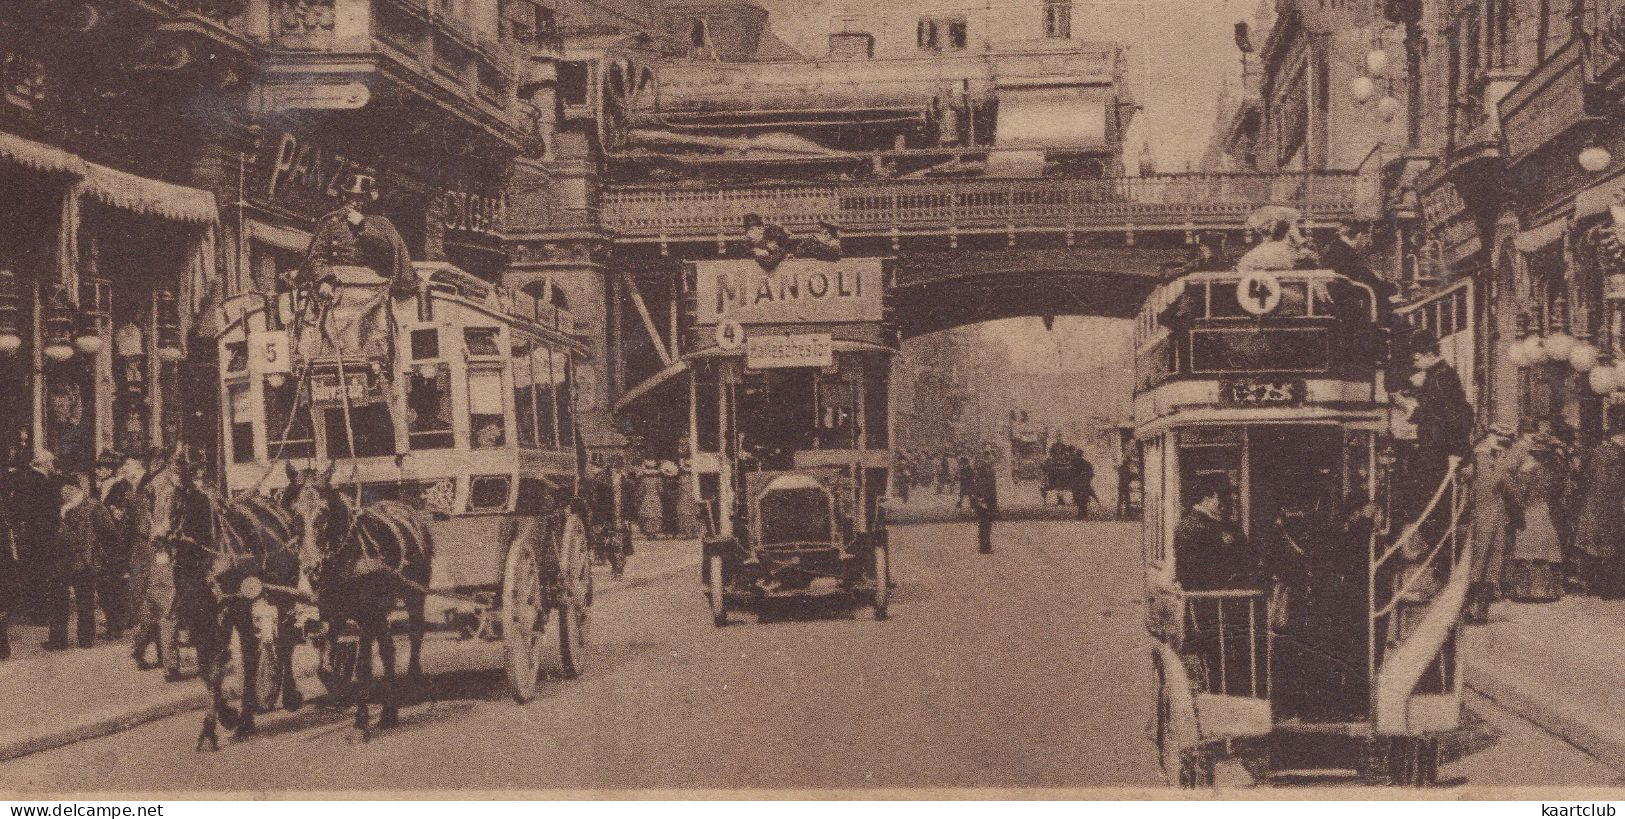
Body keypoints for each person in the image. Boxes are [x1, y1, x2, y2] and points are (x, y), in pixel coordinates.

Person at [299, 173, 417, 299]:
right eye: (351, 197)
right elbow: (317, 256)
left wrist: (363, 226)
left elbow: (389, 254)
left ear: (369, 200)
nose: (354, 203)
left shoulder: (382, 225)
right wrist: (324, 280)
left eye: (360, 198)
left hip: (371, 287)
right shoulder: (332, 222)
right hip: (336, 284)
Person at [46, 474, 119, 650]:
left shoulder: (94, 507)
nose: (65, 491)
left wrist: (98, 550)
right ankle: (60, 640)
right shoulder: (60, 507)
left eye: (70, 488)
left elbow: (110, 532)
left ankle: (83, 639)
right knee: (60, 600)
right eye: (64, 488)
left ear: (80, 489)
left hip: (84, 560)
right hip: (63, 560)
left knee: (83, 600)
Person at [1500, 430, 1566, 603]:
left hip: (1530, 512)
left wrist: (1510, 483)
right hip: (1544, 512)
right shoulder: (1551, 470)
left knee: (1527, 550)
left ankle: (1527, 591)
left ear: (1535, 454)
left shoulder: (1529, 472)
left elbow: (1520, 495)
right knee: (1544, 550)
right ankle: (1546, 591)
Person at [1465, 425, 1517, 622]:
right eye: (1497, 436)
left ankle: (1482, 612)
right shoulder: (1481, 458)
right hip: (1483, 517)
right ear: (1486, 436)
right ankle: (1472, 610)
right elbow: (1491, 484)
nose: (1500, 440)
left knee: (1491, 566)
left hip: (1494, 518)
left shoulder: (1492, 458)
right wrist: (1502, 465)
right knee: (1480, 565)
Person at [1569, 415, 1625, 597]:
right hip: (1613, 505)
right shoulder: (1620, 455)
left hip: (1594, 504)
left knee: (1595, 546)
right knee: (1613, 546)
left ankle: (1594, 585)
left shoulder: (1597, 452)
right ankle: (1611, 588)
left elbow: (1586, 477)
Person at [1173, 475, 1258, 591]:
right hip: (1206, 599)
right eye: (1223, 497)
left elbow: (1247, 558)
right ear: (1207, 497)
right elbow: (1190, 573)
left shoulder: (1229, 526)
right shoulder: (1189, 526)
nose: (1228, 502)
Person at [91, 450, 133, 639]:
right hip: (101, 543)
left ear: (111, 470)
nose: (98, 471)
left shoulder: (119, 488)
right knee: (104, 585)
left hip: (116, 544)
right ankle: (112, 624)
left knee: (114, 585)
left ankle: (116, 627)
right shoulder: (98, 489)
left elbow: (121, 517)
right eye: (98, 467)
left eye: (103, 468)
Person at [13, 450, 60, 622]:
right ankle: (40, 613)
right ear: (45, 464)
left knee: (33, 572)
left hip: (32, 534)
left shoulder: (28, 479)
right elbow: (49, 511)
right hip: (42, 535)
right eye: (51, 463)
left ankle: (34, 610)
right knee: (41, 573)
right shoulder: (41, 482)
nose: (53, 466)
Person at [969, 452, 998, 554]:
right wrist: (982, 500)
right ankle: (984, 547)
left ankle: (985, 545)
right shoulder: (985, 470)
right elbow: (985, 487)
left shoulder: (984, 470)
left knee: (985, 525)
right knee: (985, 524)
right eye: (989, 456)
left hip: (985, 500)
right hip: (985, 501)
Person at [1070, 451, 1096, 520]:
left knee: (1079, 499)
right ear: (1082, 455)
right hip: (1084, 483)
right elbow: (1091, 473)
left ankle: (1081, 514)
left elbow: (1071, 473)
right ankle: (1083, 514)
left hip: (1078, 484)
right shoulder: (1086, 463)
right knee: (1084, 499)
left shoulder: (1074, 463)